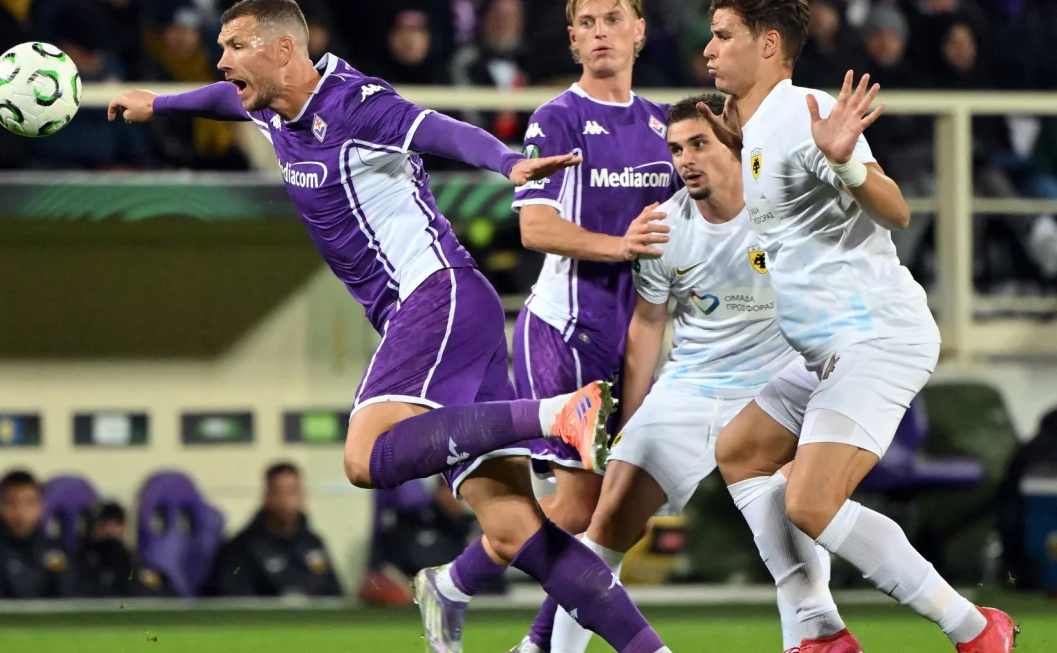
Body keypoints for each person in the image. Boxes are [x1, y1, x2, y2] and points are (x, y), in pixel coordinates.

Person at [108, 2, 670, 651]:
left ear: (284, 50)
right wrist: (161, 104)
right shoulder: (267, 105)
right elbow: (224, 100)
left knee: (364, 455)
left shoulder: (354, 102)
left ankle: (551, 414)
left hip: (437, 297)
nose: (222, 60)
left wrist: (504, 161)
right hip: (459, 314)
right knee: (516, 527)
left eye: (233, 45)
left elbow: (435, 129)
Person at [698, 2, 1017, 652]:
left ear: (767, 46)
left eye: (722, 34)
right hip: (826, 349)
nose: (708, 48)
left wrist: (843, 163)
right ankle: (817, 630)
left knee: (809, 502)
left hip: (877, 337)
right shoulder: (753, 126)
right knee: (740, 450)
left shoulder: (805, 114)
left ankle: (975, 628)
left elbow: (895, 208)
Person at [509, 93, 837, 653]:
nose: (684, 159)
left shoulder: (786, 205)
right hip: (692, 385)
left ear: (734, 144)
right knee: (607, 518)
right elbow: (647, 325)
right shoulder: (661, 225)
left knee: (789, 532)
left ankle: (821, 638)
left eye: (699, 143)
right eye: (675, 148)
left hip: (774, 387)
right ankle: (549, 650)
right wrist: (631, 419)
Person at [412, 1, 678, 650]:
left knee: (606, 515)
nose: (600, 33)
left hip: (631, 332)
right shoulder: (558, 118)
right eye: (586, 22)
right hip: (562, 330)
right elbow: (534, 227)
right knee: (580, 507)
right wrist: (621, 246)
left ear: (638, 30)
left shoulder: (664, 127)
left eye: (613, 18)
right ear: (571, 39)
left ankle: (465, 591)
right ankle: (471, 595)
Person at [207, 462, 342, 597]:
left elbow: (334, 593)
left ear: (303, 497)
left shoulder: (313, 544)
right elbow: (234, 598)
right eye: (280, 493)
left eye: (293, 492)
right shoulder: (241, 548)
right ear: (267, 497)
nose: (287, 501)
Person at [0, 471, 75, 599]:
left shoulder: (57, 549)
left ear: (42, 507)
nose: (20, 512)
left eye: (29, 503)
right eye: (11, 503)